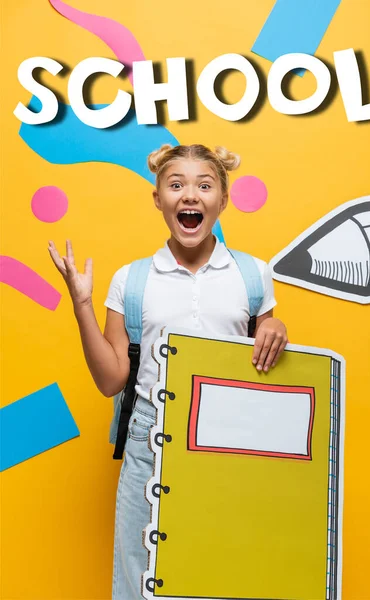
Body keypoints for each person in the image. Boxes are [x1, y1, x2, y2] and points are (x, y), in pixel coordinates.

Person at [48, 143, 288, 599]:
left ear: (224, 198)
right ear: (158, 199)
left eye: (204, 185)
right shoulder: (133, 280)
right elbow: (110, 380)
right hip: (149, 442)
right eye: (176, 185)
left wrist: (275, 323)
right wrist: (81, 304)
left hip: (229, 441)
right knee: (141, 578)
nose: (190, 195)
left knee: (228, 570)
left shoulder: (253, 275)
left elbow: (266, 355)